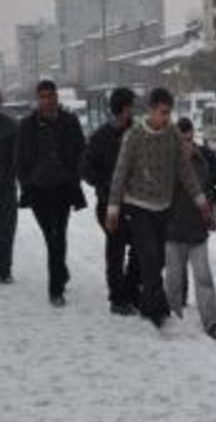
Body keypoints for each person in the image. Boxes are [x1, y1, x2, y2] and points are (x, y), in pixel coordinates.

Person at [107, 88, 210, 330]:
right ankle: (156, 309)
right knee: (149, 257)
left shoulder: (173, 134)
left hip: (163, 206)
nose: (166, 117)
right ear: (152, 109)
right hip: (138, 205)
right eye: (163, 112)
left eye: (169, 113)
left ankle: (147, 301)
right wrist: (113, 207)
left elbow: (185, 170)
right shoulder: (134, 135)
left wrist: (201, 201)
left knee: (159, 258)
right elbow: (120, 172)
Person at [16, 80, 86, 306]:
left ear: (57, 97)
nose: (46, 100)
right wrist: (26, 181)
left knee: (59, 234)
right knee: (51, 236)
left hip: (63, 189)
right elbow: (20, 159)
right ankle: (60, 271)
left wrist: (73, 175)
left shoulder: (70, 122)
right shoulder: (27, 126)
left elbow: (80, 152)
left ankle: (55, 290)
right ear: (38, 99)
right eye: (42, 96)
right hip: (38, 191)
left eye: (50, 96)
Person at [81, 87, 140, 315]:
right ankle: (118, 298)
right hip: (109, 205)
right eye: (130, 106)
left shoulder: (138, 133)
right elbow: (85, 168)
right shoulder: (101, 137)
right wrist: (106, 184)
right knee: (115, 251)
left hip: (136, 203)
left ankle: (132, 291)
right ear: (124, 108)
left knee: (138, 249)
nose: (132, 111)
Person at [164, 118, 216, 338]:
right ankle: (171, 318)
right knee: (173, 279)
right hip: (173, 231)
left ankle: (212, 322)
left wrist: (212, 214)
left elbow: (213, 190)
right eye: (182, 141)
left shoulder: (203, 160)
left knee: (204, 278)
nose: (187, 145)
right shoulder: (168, 163)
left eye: (190, 140)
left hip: (198, 231)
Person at [0, 95, 18, 284]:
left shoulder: (11, 126)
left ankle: (4, 268)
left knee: (6, 229)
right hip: (7, 184)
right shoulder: (12, 126)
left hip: (6, 186)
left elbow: (17, 157)